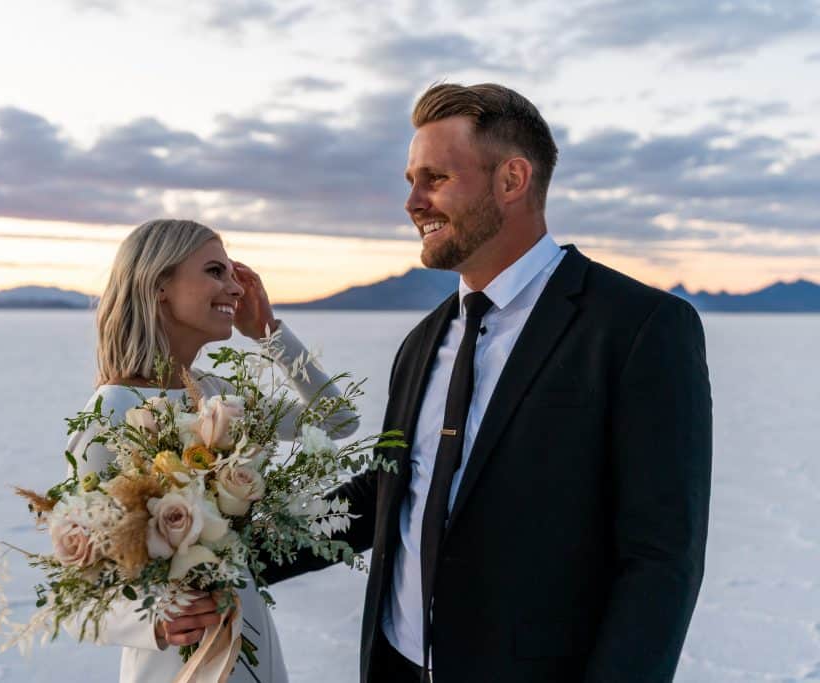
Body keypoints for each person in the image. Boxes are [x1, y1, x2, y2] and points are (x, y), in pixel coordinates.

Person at [263, 83, 712, 682]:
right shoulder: (424, 341)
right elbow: (394, 489)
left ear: (512, 179)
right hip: (398, 665)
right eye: (409, 181)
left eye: (434, 179)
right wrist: (229, 556)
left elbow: (661, 561)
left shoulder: (637, 328)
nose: (412, 202)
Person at [65, 218, 358, 683]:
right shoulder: (112, 409)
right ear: (160, 285)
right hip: (179, 661)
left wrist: (270, 333)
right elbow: (79, 586)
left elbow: (338, 420)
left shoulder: (219, 395)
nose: (235, 288)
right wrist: (153, 621)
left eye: (233, 275)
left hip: (250, 636)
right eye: (216, 272)